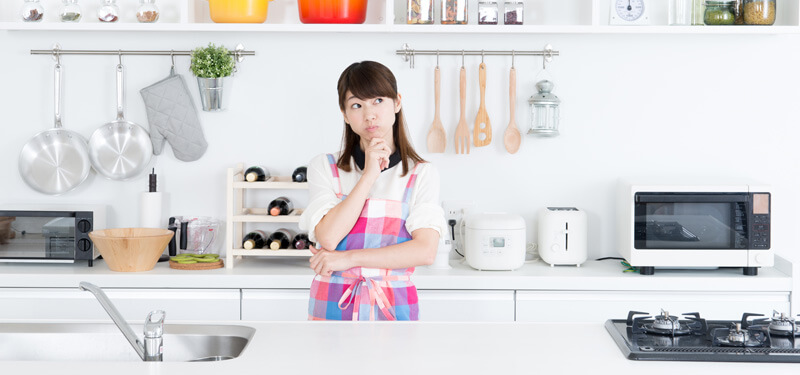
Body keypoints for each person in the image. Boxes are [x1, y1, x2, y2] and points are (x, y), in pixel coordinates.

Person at [299, 61, 447, 321]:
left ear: (397, 103)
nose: (369, 114)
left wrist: (347, 259)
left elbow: (425, 251)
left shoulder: (421, 173)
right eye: (357, 105)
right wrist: (368, 175)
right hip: (333, 303)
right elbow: (329, 237)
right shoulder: (324, 166)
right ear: (345, 114)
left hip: (394, 305)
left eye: (378, 100)